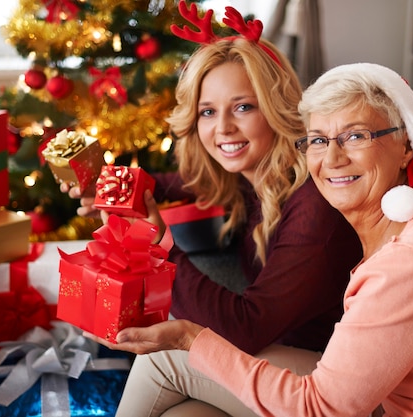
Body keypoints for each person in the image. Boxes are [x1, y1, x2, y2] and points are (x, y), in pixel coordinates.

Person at [88, 62, 413, 417]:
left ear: (407, 146)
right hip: (375, 387)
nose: (332, 158)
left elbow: (321, 408)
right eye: (318, 140)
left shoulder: (410, 259)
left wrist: (186, 334)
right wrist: (123, 185)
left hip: (372, 404)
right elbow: (198, 179)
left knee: (164, 361)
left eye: (356, 136)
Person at [61, 3, 362, 415]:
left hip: (333, 383)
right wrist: (105, 186)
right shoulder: (252, 174)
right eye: (208, 111)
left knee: (165, 357)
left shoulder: (314, 206)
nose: (222, 128)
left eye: (243, 107)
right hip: (284, 362)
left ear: (277, 110)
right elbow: (166, 184)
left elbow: (246, 328)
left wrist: (159, 243)